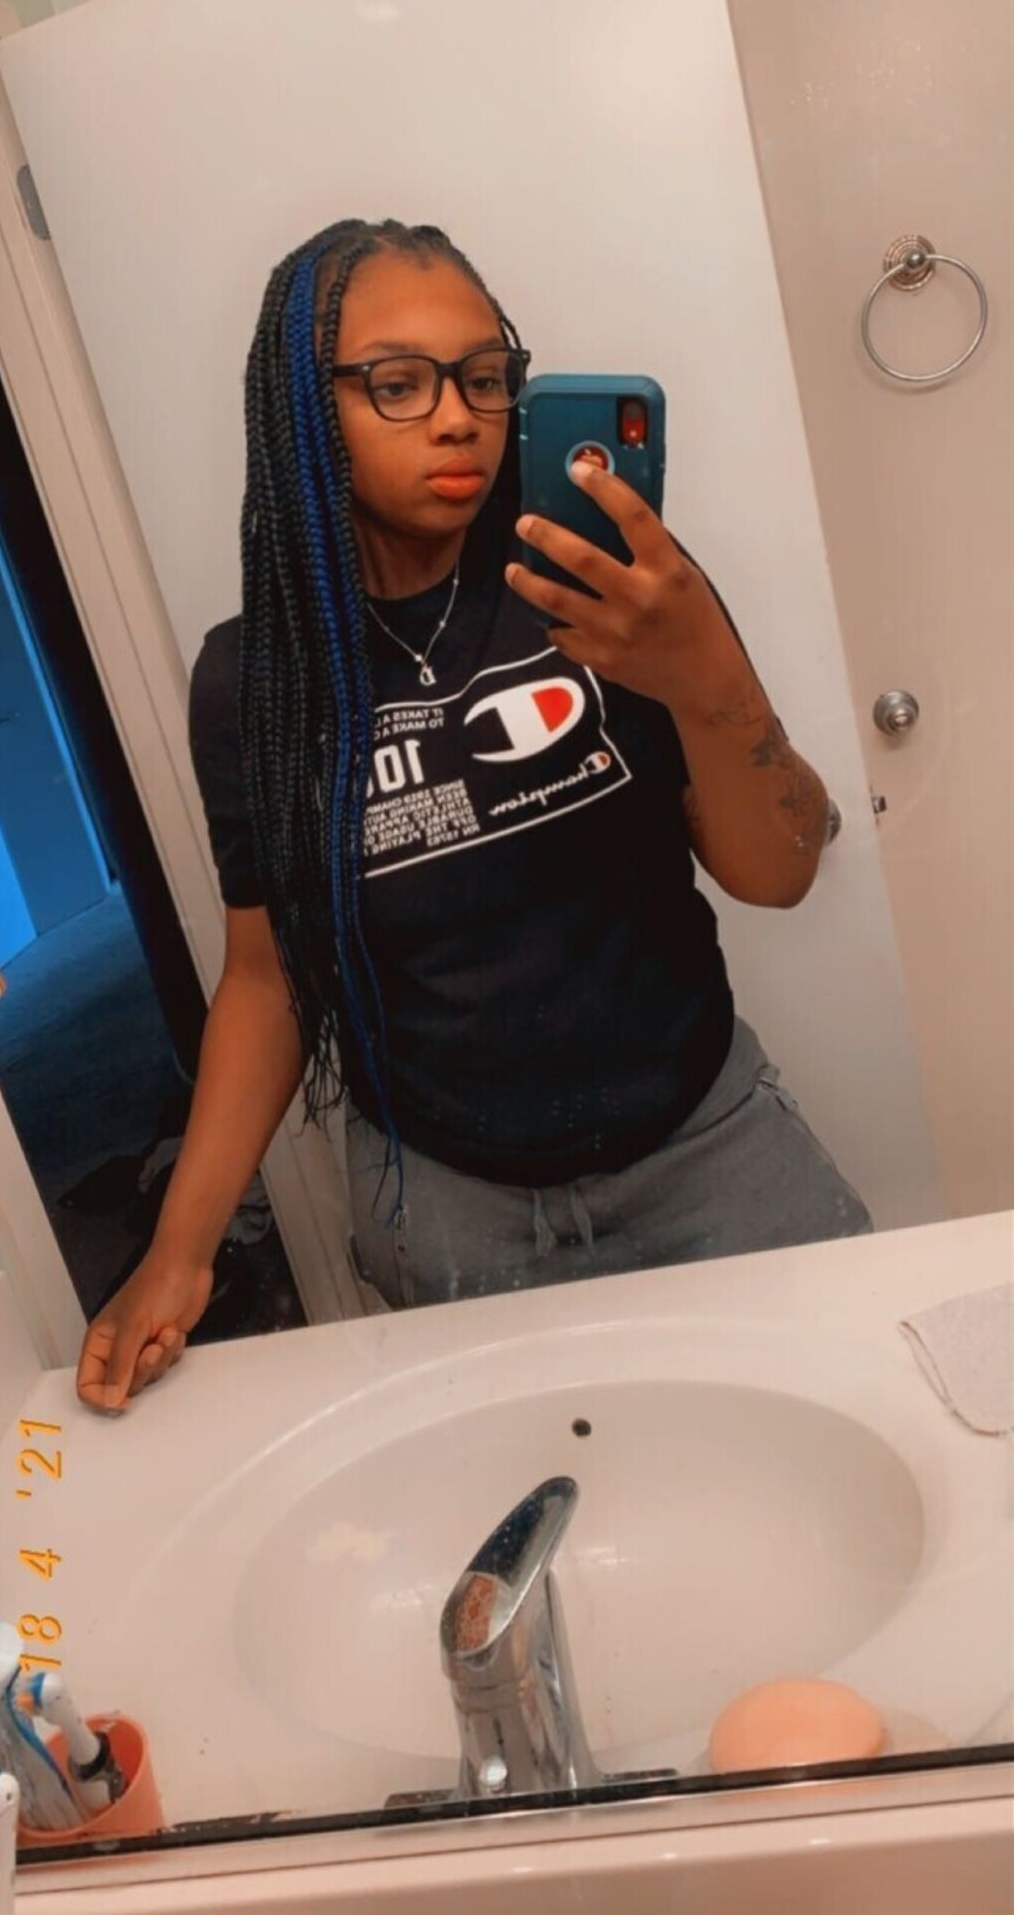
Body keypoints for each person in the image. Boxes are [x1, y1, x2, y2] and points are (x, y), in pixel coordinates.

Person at [76, 217, 870, 1413]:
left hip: (706, 1148)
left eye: (486, 376)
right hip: (450, 1206)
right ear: (304, 410)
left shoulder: (607, 590)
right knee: (532, 1490)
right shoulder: (260, 684)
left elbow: (778, 871)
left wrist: (709, 675)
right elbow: (269, 976)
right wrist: (179, 1249)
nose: (460, 418)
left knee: (839, 1429)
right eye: (399, 383)